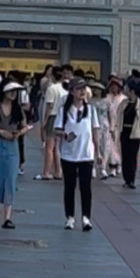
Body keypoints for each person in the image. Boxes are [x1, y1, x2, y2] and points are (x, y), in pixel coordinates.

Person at [0, 80, 33, 227]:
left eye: (15, 92)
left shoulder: (17, 108)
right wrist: (1, 132)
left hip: (12, 146)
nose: (13, 94)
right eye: (11, 91)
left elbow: (24, 127)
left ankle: (8, 216)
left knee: (10, 180)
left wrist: (18, 133)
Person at [54, 77, 100, 230]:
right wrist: (65, 135)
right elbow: (56, 129)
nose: (82, 92)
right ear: (72, 91)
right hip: (69, 154)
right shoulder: (64, 110)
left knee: (86, 187)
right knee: (69, 187)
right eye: (79, 89)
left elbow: (95, 131)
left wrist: (98, 152)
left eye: (84, 89)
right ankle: (70, 217)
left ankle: (86, 218)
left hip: (86, 154)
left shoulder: (90, 110)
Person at [36, 63, 73, 181]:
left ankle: (46, 172)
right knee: (57, 147)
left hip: (53, 117)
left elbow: (49, 106)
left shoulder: (51, 89)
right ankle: (58, 171)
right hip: (62, 118)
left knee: (49, 147)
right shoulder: (65, 89)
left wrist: (44, 122)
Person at [118, 78, 140, 189]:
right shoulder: (124, 103)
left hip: (135, 133)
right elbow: (118, 118)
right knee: (125, 156)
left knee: (132, 157)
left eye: (127, 88)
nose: (125, 90)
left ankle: (131, 179)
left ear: (132, 90)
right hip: (124, 132)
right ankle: (126, 179)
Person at [102, 76, 124, 177]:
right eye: (112, 86)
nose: (114, 88)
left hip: (120, 125)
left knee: (118, 147)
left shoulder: (123, 99)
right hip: (109, 126)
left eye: (116, 86)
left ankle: (119, 164)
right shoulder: (107, 98)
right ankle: (111, 166)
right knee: (109, 147)